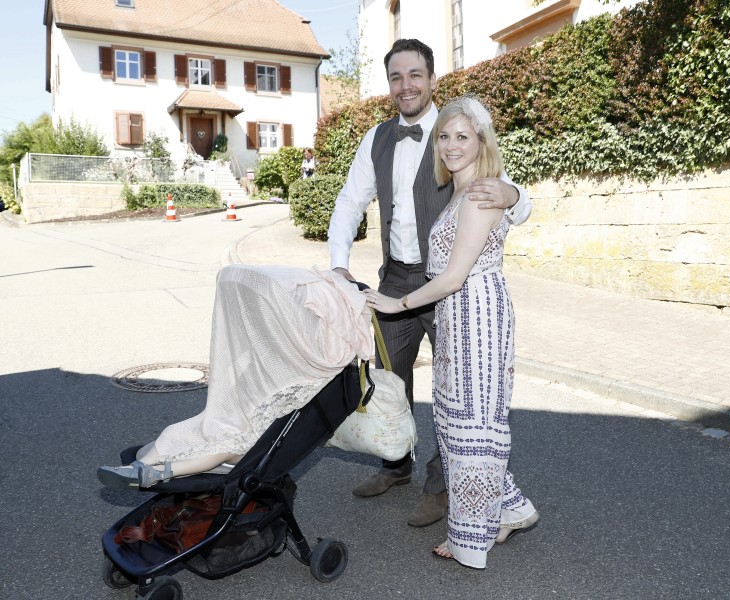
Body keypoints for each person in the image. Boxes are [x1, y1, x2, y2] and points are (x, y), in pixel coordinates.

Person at [327, 38, 532, 528]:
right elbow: (349, 202)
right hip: (394, 277)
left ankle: (442, 488)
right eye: (396, 77)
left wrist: (512, 191)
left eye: (415, 75)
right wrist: (339, 265)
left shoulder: (455, 133)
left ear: (432, 79)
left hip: (449, 287)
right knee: (386, 380)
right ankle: (395, 464)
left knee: (456, 391)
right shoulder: (376, 139)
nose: (406, 86)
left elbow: (515, 203)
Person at [363, 95, 538, 569]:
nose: (451, 145)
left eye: (462, 136)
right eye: (444, 136)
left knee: (474, 426)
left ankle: (471, 538)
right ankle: (512, 510)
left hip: (476, 312)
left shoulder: (483, 192)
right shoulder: (463, 191)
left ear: (482, 140)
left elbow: (454, 274)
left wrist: (397, 303)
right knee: (458, 420)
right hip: (456, 316)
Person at [97, 264, 373, 489]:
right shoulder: (279, 360)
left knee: (222, 449)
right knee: (177, 434)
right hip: (239, 428)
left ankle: (155, 473)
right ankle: (137, 468)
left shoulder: (315, 367)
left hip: (255, 450)